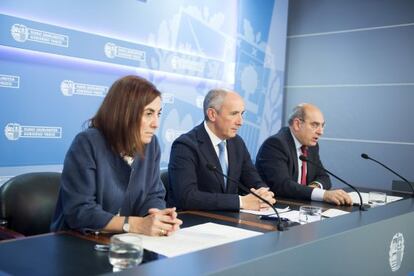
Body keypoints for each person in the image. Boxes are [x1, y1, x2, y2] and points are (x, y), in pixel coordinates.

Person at [51, 75, 182, 236]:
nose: (156, 123)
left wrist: (155, 218)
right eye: (148, 114)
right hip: (79, 240)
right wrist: (135, 225)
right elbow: (80, 212)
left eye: (158, 114)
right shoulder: (87, 143)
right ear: (125, 113)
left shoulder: (151, 144)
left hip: (126, 240)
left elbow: (153, 194)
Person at [168, 88, 276, 211]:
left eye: (242, 114)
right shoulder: (185, 145)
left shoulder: (237, 143)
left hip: (229, 220)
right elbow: (187, 197)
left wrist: (264, 194)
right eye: (234, 114)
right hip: (194, 221)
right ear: (212, 114)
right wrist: (240, 202)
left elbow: (253, 180)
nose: (240, 122)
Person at [256, 103, 352, 205]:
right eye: (315, 125)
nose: (321, 132)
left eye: (322, 125)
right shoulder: (276, 144)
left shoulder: (311, 146)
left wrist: (314, 187)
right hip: (276, 208)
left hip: (300, 206)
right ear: (297, 124)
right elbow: (282, 185)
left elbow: (324, 177)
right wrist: (323, 194)